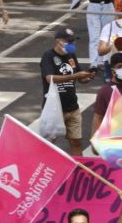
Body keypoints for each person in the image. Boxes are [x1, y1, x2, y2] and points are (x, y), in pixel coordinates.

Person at [40, 27, 94, 155]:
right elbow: (50, 78)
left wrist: (87, 77)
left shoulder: (71, 55)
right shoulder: (48, 56)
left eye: (72, 41)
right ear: (58, 41)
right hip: (54, 109)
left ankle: (78, 171)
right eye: (68, 42)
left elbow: (80, 77)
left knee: (76, 142)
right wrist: (75, 76)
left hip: (73, 107)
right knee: (48, 143)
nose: (71, 44)